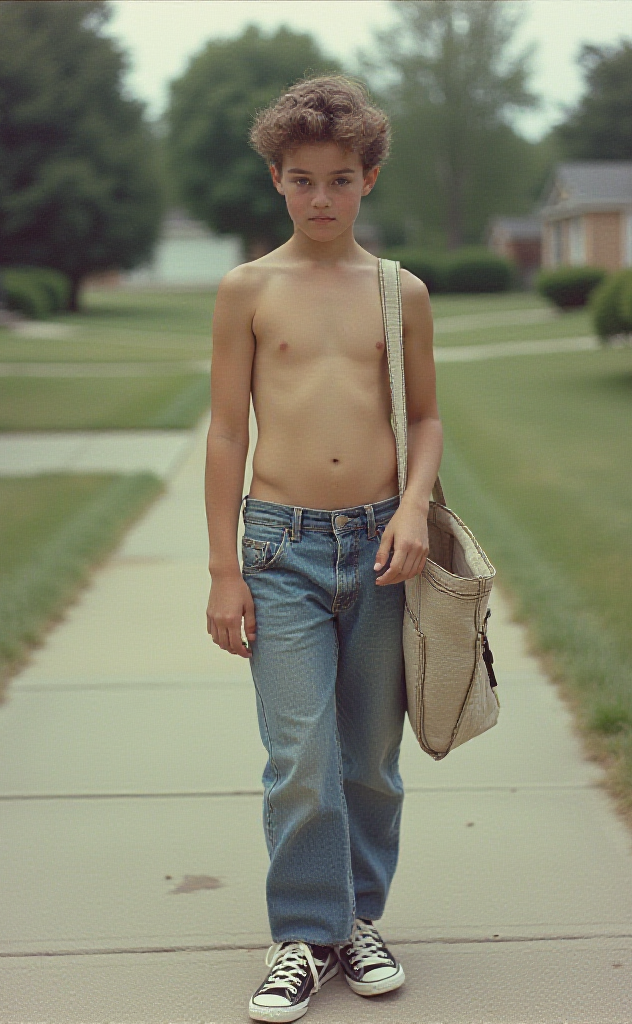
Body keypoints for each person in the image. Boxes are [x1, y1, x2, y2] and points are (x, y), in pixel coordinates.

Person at [204, 74, 442, 1024]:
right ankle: (304, 936)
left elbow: (424, 417)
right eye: (301, 179)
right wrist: (225, 568)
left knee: (370, 761)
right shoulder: (248, 290)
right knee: (299, 752)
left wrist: (413, 509)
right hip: (281, 547)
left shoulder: (400, 292)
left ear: (369, 178)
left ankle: (358, 920)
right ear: (276, 178)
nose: (320, 198)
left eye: (340, 179)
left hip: (383, 543)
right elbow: (226, 432)